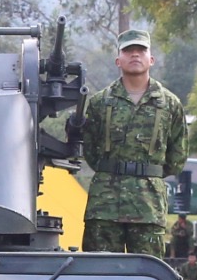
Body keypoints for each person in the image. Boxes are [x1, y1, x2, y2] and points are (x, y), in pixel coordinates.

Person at [79, 29, 189, 256]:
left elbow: (177, 156)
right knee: (100, 273)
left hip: (148, 204)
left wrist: (148, 173)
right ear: (118, 60)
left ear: (151, 59)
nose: (135, 55)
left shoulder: (170, 104)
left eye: (141, 50)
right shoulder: (100, 103)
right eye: (129, 51)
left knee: (148, 275)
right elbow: (90, 149)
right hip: (105, 205)